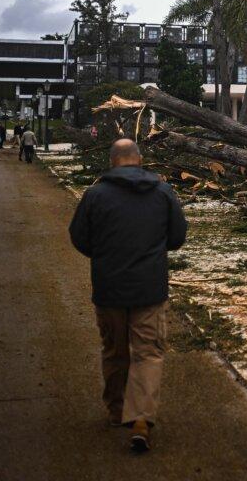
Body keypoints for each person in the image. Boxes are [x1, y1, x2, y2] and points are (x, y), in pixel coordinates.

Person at [68, 139, 187, 453]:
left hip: (108, 288)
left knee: (114, 351)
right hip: (149, 289)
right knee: (148, 353)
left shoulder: (95, 195)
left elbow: (79, 237)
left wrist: (103, 255)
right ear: (140, 160)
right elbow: (177, 237)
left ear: (112, 162)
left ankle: (116, 409)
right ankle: (141, 420)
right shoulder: (163, 192)